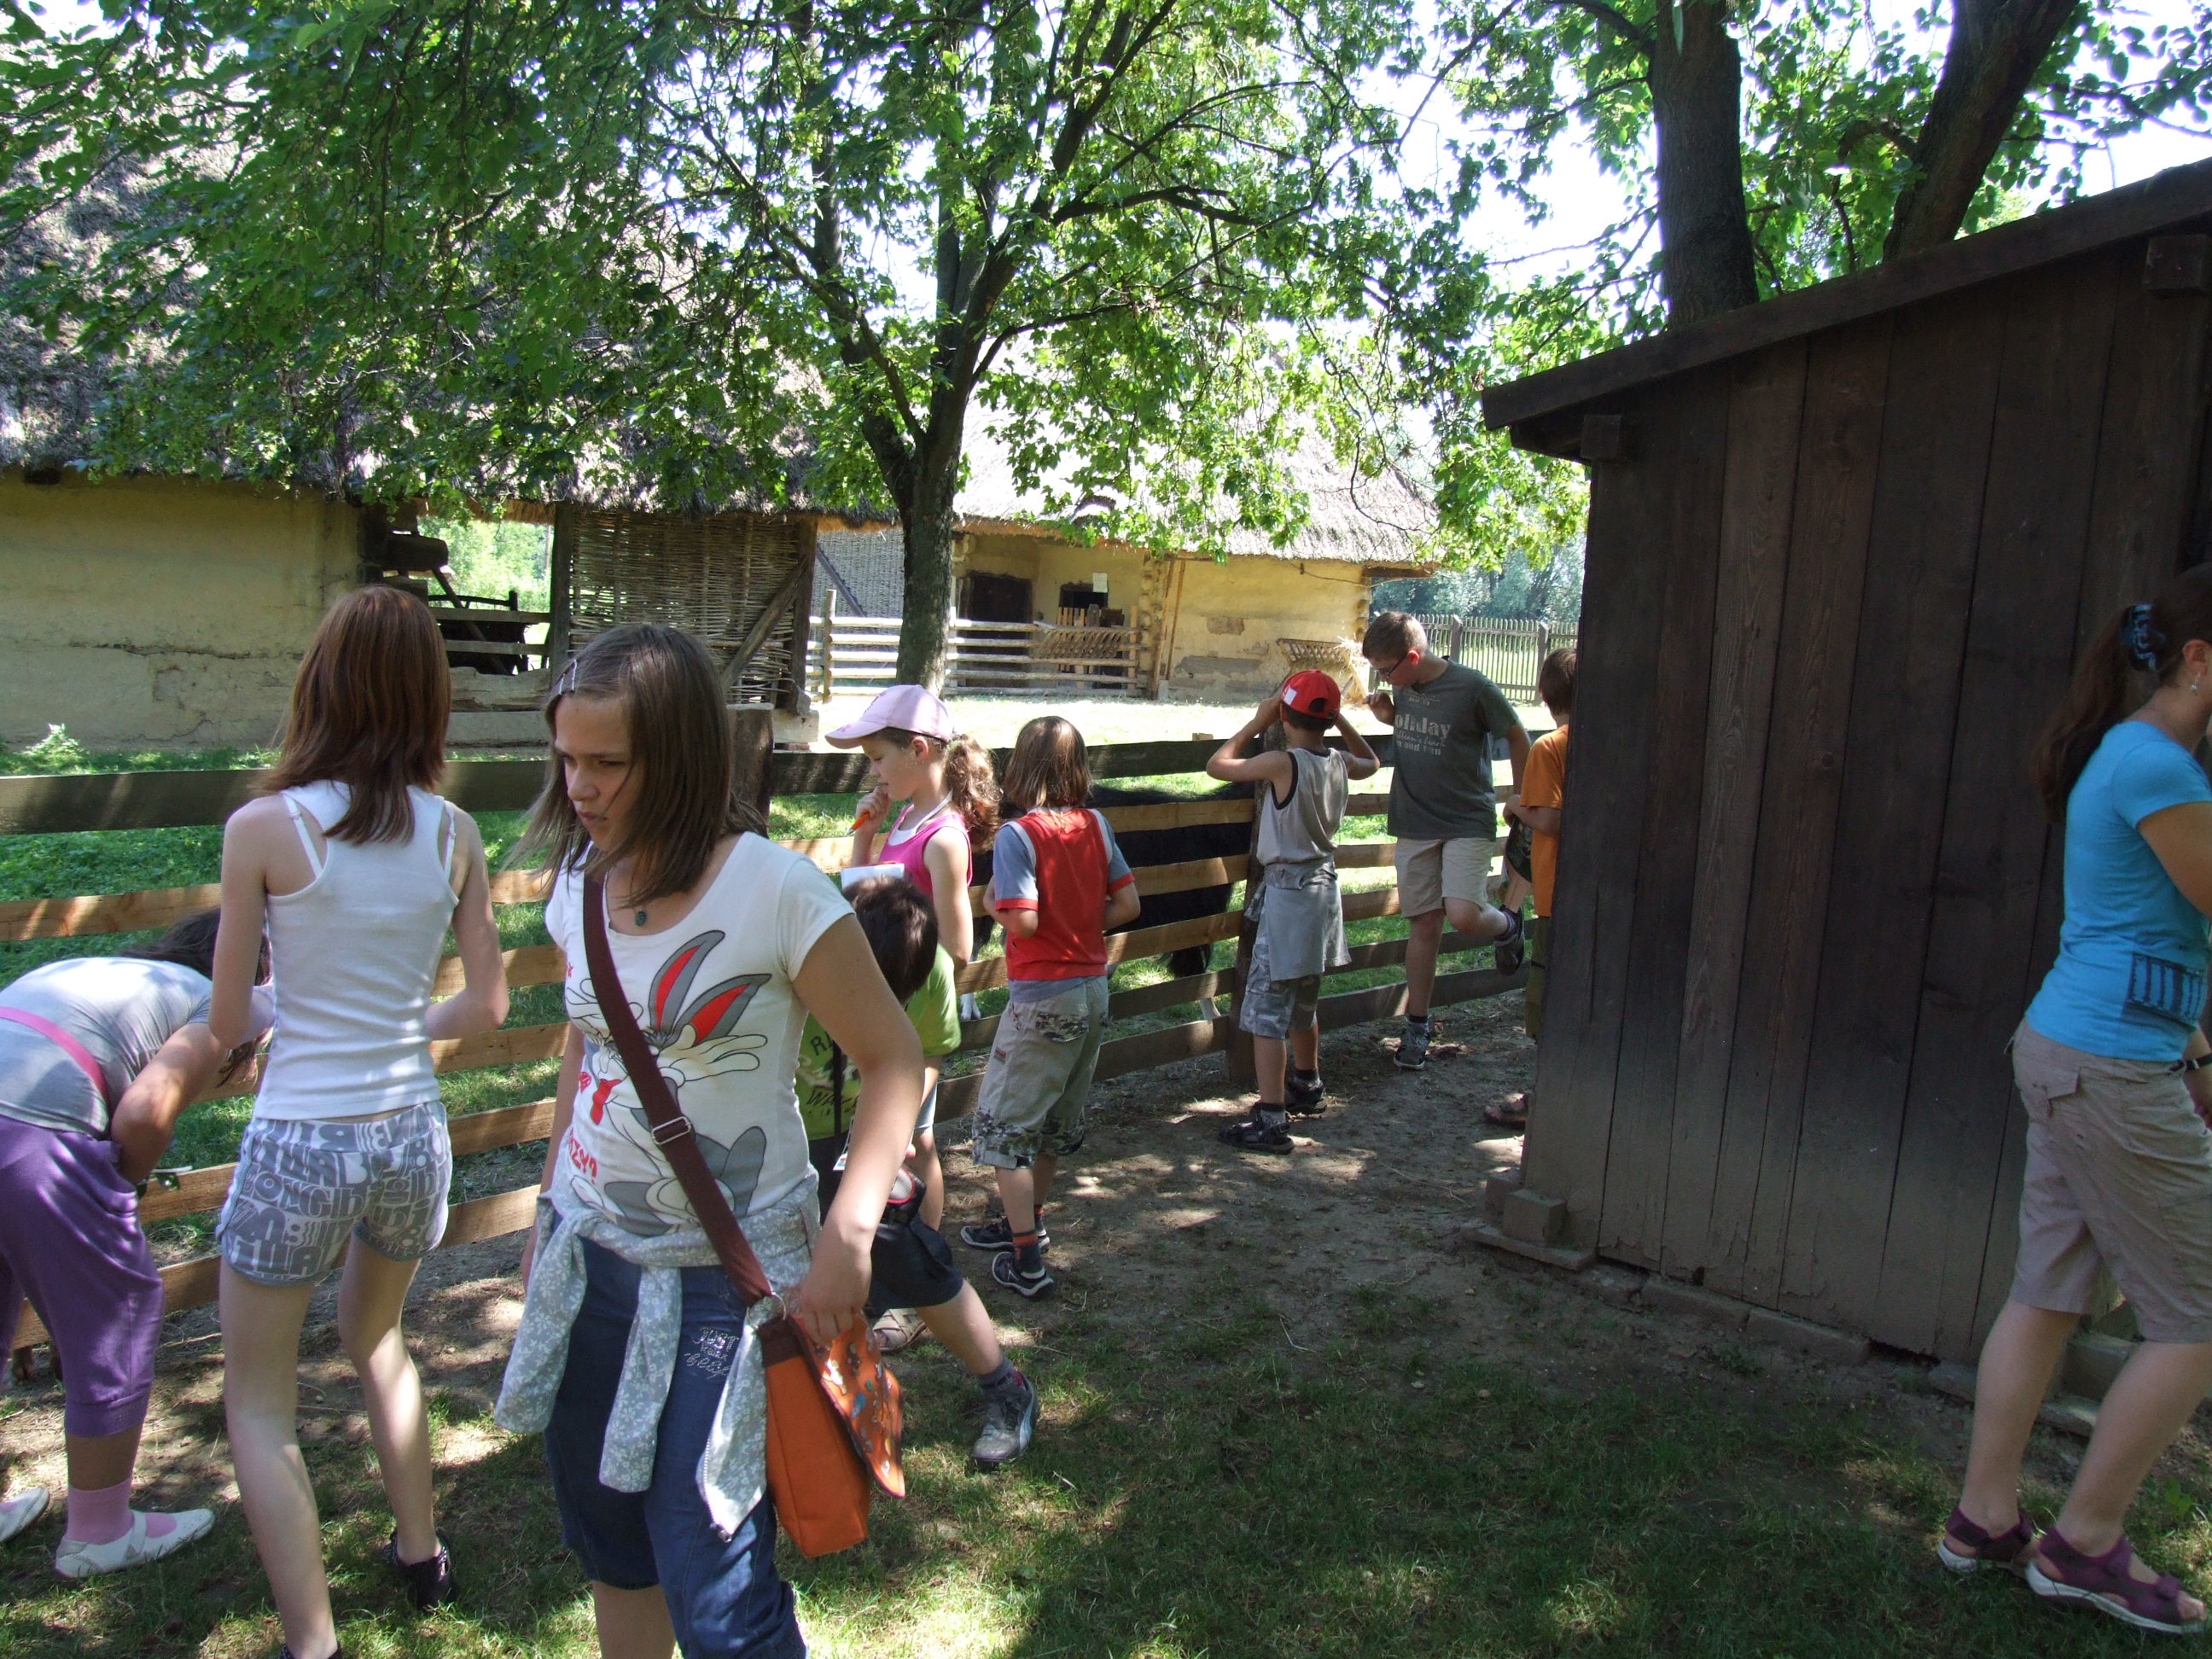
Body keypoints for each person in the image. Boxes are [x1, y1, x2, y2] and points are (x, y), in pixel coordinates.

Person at [496, 623, 924, 1659]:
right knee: (614, 1553)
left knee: (721, 1597)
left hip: (726, 1293)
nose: (580, 787)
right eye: (567, 758)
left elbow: (894, 1061)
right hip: (590, 1268)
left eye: (608, 763)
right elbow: (589, 1048)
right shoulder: (580, 879)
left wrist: (849, 1237)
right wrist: (551, 1209)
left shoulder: (776, 890)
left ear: (682, 758)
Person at [209, 585, 509, 1659]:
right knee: (379, 1338)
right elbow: (487, 1006)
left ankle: (314, 1641)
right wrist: (392, 1022)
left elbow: (230, 1019)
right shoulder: (456, 833)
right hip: (410, 1136)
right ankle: (422, 1553)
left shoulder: (264, 828)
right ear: (429, 697)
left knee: (259, 1402)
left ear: (319, 685)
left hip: (302, 1138)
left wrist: (301, 1015)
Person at [1942, 572, 2212, 1638]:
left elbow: (2151, 930)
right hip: (2106, 1066)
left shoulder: (2142, 758)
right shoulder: (2155, 765)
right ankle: (2085, 1544)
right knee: (2199, 1318)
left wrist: (2196, 1051)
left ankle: (1984, 1519)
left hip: (2082, 1050)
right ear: (2200, 660)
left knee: (2050, 1292)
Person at [0, 912, 270, 1576]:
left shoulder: (103, 972)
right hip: (36, 1136)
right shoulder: (220, 1001)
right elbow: (146, 1112)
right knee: (117, 1310)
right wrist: (119, 1188)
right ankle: (100, 1531)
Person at [796, 876, 1037, 1466]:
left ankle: (1007, 1389)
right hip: (790, 1131)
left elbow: (929, 1052)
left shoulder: (929, 967)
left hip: (869, 1130)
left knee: (909, 1255)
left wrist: (892, 1122)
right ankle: (808, 1398)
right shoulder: (803, 956)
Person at [832, 684, 998, 1346]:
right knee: (896, 1139)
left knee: (912, 1142)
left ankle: (916, 1284)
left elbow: (959, 946)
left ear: (919, 750)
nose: (872, 771)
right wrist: (866, 835)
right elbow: (858, 904)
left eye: (878, 757)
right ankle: (892, 1270)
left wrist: (907, 962)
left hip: (914, 1020)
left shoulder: (943, 839)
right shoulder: (903, 819)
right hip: (881, 1006)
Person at [958, 717, 1140, 1299]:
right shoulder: (1097, 824)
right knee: (1053, 1124)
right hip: (1093, 991)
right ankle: (1026, 1222)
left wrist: (992, 902)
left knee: (1005, 1129)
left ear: (1020, 767)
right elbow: (1128, 905)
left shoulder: (1019, 835)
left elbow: (1024, 920)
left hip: (1041, 998)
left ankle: (1027, 1262)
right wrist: (1080, 926)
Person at [1204, 673, 1379, 1153]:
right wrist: (1342, 721)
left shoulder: (1284, 763)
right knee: (1304, 1000)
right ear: (1328, 718)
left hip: (1288, 898)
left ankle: (1271, 1117)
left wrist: (1255, 721)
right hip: (1323, 894)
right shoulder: (1340, 761)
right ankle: (1308, 1082)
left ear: (1284, 715)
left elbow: (1217, 766)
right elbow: (1373, 761)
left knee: (1266, 1013)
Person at [1359, 612, 1531, 1071]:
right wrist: (1390, 716)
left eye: (1386, 670)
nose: (1383, 679)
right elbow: (1423, 732)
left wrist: (1521, 795)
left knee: (1463, 914)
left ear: (1413, 658)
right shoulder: (1403, 687)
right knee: (1425, 924)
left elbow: (1517, 735)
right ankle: (1418, 1025)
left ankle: (1508, 925)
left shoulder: (1473, 688)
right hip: (1414, 821)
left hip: (1465, 820)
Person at [1488, 648, 1575, 1131]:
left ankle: (1544, 1099)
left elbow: (1549, 819)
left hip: (1557, 894)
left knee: (1547, 1000)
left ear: (1544, 695)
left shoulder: (1550, 747)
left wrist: (1516, 805)